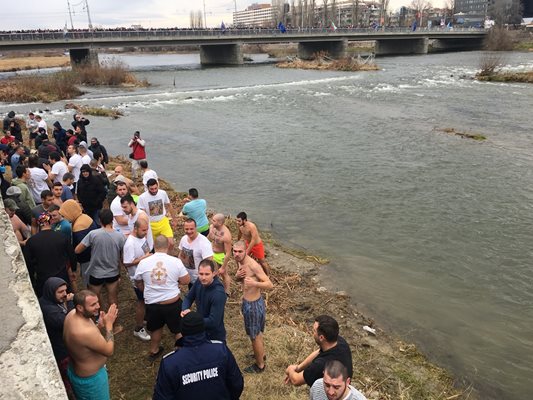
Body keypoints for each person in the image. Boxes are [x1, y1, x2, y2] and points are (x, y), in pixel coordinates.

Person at [153, 311, 244, 400]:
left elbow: (162, 396)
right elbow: (236, 384)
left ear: (182, 331)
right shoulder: (221, 350)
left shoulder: (170, 363)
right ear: (203, 328)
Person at [134, 235, 190, 361]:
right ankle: (182, 352)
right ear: (168, 246)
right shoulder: (175, 261)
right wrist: (175, 281)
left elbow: (137, 281)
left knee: (156, 328)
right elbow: (186, 280)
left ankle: (154, 351)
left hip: (152, 303)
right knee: (178, 329)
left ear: (154, 245)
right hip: (172, 303)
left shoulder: (143, 262)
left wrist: (146, 289)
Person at [64, 290, 118, 400]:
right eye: (93, 305)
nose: (98, 306)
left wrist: (99, 325)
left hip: (77, 370)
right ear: (80, 307)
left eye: (97, 302)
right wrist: (109, 325)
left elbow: (84, 341)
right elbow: (109, 350)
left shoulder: (71, 315)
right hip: (91, 382)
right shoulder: (84, 332)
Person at [75, 209, 125, 318]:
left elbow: (78, 250)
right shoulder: (120, 236)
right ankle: (113, 321)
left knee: (96, 297)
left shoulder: (93, 234)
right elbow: (123, 256)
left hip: (96, 273)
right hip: (113, 272)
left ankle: (101, 317)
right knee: (112, 297)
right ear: (112, 220)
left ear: (99, 220)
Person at [233, 240, 273, 373]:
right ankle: (260, 354)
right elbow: (241, 279)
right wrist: (237, 276)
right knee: (255, 334)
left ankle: (260, 365)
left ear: (246, 251)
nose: (237, 254)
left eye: (240, 252)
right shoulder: (240, 261)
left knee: (254, 335)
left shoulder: (253, 265)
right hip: (247, 303)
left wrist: (255, 284)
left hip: (254, 305)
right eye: (235, 251)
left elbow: (269, 284)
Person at [285, 315, 353, 387]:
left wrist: (290, 370)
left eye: (314, 331)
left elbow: (296, 380)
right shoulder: (340, 342)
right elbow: (319, 352)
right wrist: (299, 368)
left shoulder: (321, 365)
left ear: (321, 337)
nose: (312, 333)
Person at [38, 277, 75, 398]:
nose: (64, 294)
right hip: (62, 351)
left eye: (65, 290)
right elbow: (70, 322)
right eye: (60, 292)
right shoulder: (50, 311)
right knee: (70, 380)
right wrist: (69, 302)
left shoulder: (51, 302)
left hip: (64, 345)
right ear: (50, 291)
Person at [24, 212, 76, 296]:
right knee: (65, 297)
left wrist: (32, 278)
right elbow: (72, 255)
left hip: (43, 279)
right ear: (51, 221)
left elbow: (28, 263)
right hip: (61, 276)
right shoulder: (62, 237)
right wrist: (73, 270)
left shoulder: (31, 241)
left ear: (38, 223)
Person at [181, 259, 227, 342]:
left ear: (214, 273)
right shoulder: (199, 281)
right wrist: (185, 310)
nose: (203, 277)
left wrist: (192, 319)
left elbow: (213, 321)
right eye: (201, 274)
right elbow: (188, 297)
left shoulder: (218, 293)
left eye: (207, 274)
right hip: (200, 330)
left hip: (214, 335)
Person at [123, 219, 152, 342]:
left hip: (145, 275)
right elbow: (127, 263)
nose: (146, 233)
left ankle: (146, 318)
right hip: (137, 277)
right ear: (135, 229)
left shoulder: (141, 237)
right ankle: (138, 328)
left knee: (146, 299)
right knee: (141, 301)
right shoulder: (130, 243)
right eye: (143, 230)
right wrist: (144, 258)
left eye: (147, 230)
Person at [60, 199, 99, 288]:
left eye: (64, 214)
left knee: (88, 281)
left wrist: (73, 252)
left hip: (87, 259)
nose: (64, 217)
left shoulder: (79, 226)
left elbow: (83, 247)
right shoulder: (84, 217)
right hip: (93, 256)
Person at [137, 178, 177, 252]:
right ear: (147, 187)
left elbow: (169, 205)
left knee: (171, 243)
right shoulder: (142, 198)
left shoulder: (162, 193)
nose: (154, 191)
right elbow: (141, 213)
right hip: (151, 224)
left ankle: (167, 258)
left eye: (156, 188)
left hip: (163, 221)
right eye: (151, 189)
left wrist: (174, 219)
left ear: (158, 185)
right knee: (152, 247)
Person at [178, 218, 214, 285]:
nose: (189, 231)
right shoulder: (183, 239)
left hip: (200, 280)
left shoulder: (204, 242)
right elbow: (181, 255)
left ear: (196, 228)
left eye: (191, 229)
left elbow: (210, 261)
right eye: (186, 229)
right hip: (189, 277)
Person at [208, 213, 232, 294]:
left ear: (220, 223)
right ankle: (214, 288)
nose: (211, 221)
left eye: (214, 220)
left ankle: (227, 291)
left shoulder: (226, 235)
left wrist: (223, 267)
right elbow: (208, 238)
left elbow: (228, 253)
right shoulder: (212, 227)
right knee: (213, 272)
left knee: (224, 274)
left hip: (221, 255)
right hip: (212, 252)